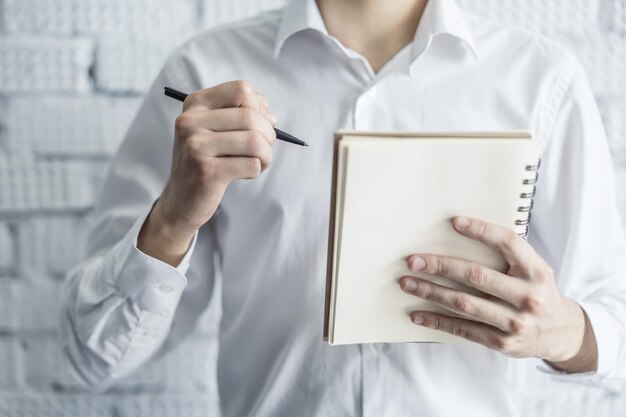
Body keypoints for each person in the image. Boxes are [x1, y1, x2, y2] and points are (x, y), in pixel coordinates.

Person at [60, 0, 626, 415]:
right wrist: (174, 218)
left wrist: (562, 331)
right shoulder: (207, 74)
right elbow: (95, 358)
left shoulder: (540, 79)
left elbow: (615, 321)